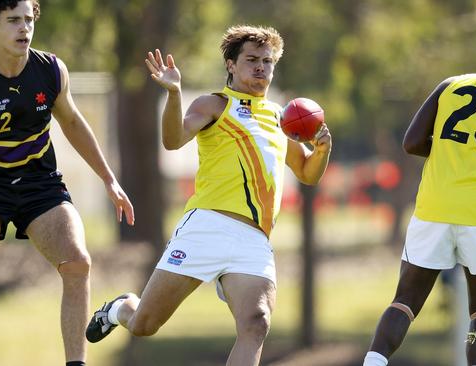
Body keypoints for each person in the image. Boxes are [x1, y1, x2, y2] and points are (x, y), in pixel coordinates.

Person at [86, 25, 332, 366]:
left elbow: (307, 172)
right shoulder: (215, 104)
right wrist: (173, 94)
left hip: (254, 238)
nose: (261, 67)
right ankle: (119, 309)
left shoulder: (280, 117)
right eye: (251, 60)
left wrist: (321, 151)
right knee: (145, 324)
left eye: (267, 61)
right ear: (231, 65)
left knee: (256, 323)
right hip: (206, 227)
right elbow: (173, 140)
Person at [0, 1, 134, 365]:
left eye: (28, 19)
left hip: (39, 184)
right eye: (13, 21)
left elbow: (71, 122)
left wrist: (109, 179)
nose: (24, 28)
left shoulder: (51, 70)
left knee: (78, 262)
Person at [363, 28, 476, 366]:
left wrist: (452, 155)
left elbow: (411, 143)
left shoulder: (451, 84)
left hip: (433, 208)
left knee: (404, 302)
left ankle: (373, 362)